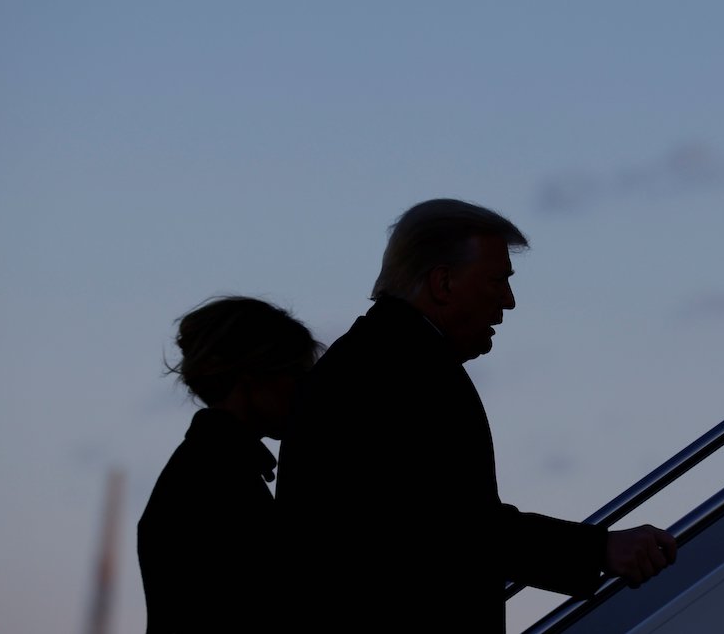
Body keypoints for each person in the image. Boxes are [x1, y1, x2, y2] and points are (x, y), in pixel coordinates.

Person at [276, 198, 677, 632]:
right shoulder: (405, 371)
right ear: (443, 283)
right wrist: (598, 550)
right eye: (497, 281)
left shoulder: (373, 359)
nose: (509, 301)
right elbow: (452, 528)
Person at [137, 295, 324, 634]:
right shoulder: (219, 482)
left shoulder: (204, 470)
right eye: (295, 373)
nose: (305, 389)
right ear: (252, 374)